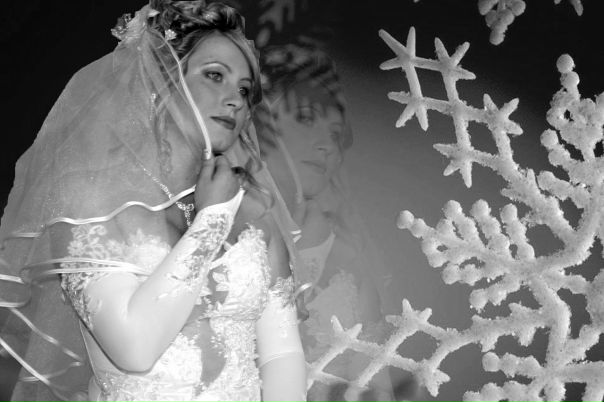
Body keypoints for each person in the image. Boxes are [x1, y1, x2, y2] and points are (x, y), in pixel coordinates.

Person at [0, 1, 306, 401]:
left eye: (245, 90)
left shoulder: (255, 213)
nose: (235, 99)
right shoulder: (88, 201)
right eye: (215, 75)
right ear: (162, 79)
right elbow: (134, 349)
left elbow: (282, 354)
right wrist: (213, 220)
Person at [255, 43, 399, 402]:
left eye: (336, 134)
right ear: (258, 120)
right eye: (306, 118)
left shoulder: (349, 263)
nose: (327, 145)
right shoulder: (203, 227)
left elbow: (375, 389)